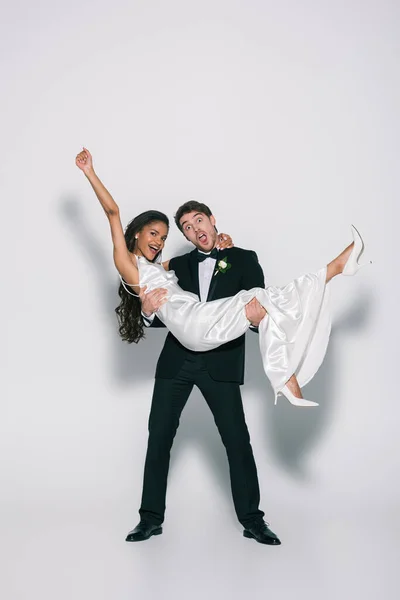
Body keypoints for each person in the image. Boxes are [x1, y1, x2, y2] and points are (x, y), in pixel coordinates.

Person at [75, 147, 369, 545]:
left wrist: (244, 297)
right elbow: (115, 221)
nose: (164, 240)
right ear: (138, 234)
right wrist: (144, 310)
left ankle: (252, 519)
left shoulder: (242, 258)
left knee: (238, 437)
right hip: (181, 356)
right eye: (161, 232)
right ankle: (149, 518)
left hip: (221, 357)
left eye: (193, 224)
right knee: (159, 437)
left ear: (212, 222)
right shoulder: (166, 265)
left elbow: (236, 308)